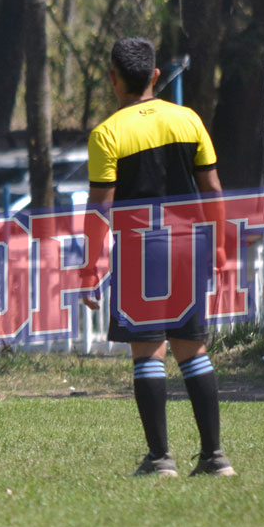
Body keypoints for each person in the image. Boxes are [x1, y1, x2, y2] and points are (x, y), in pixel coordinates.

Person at [82, 36, 235, 478]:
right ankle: (214, 457)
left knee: (148, 353)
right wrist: (221, 247)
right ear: (154, 77)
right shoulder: (188, 120)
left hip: (138, 249)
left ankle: (161, 459)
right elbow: (213, 189)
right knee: (193, 350)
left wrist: (93, 262)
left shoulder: (107, 134)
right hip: (190, 246)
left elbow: (100, 208)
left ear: (113, 80)